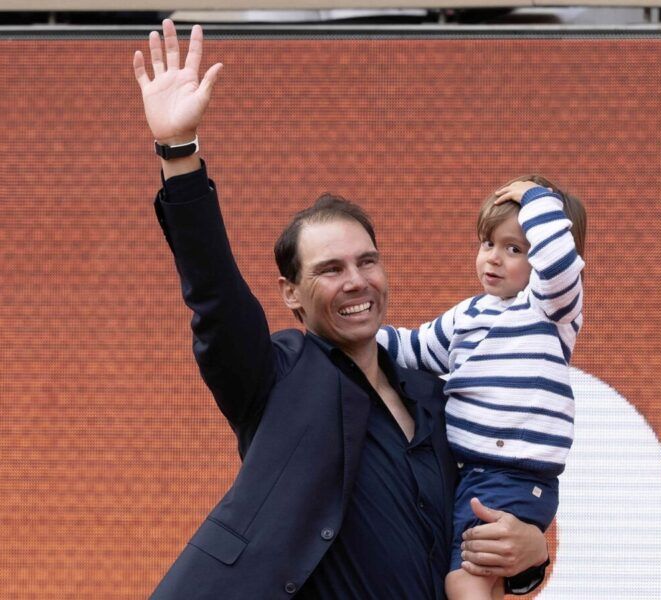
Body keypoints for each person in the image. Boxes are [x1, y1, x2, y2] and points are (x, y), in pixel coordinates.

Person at [133, 19, 549, 599]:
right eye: (330, 270)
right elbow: (215, 294)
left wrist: (531, 556)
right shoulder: (275, 374)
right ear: (291, 295)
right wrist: (179, 154)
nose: (356, 282)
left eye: (367, 262)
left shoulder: (435, 391)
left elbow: (482, 523)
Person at [378, 176, 586, 599]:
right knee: (482, 584)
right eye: (487, 243)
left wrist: (537, 199)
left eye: (515, 249)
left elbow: (561, 264)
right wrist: (349, 334)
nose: (494, 258)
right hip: (469, 476)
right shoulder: (468, 315)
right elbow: (413, 347)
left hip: (512, 476)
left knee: (464, 581)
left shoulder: (549, 309)